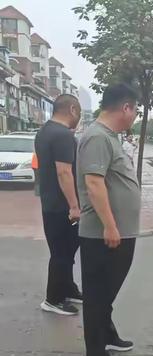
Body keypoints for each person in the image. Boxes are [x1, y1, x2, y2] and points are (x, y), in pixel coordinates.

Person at [77, 84, 140, 356]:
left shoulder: (109, 137)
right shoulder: (97, 137)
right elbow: (93, 183)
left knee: (107, 291)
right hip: (103, 234)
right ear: (126, 108)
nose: (136, 115)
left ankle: (108, 333)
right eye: (135, 109)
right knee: (97, 293)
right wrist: (111, 225)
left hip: (118, 232)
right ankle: (95, 355)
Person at [35, 94, 82, 315]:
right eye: (79, 113)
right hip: (63, 206)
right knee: (62, 253)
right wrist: (74, 206)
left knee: (65, 251)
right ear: (72, 109)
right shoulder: (62, 135)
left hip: (50, 203)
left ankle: (67, 288)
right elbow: (64, 172)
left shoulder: (44, 131)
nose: (78, 119)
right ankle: (53, 299)